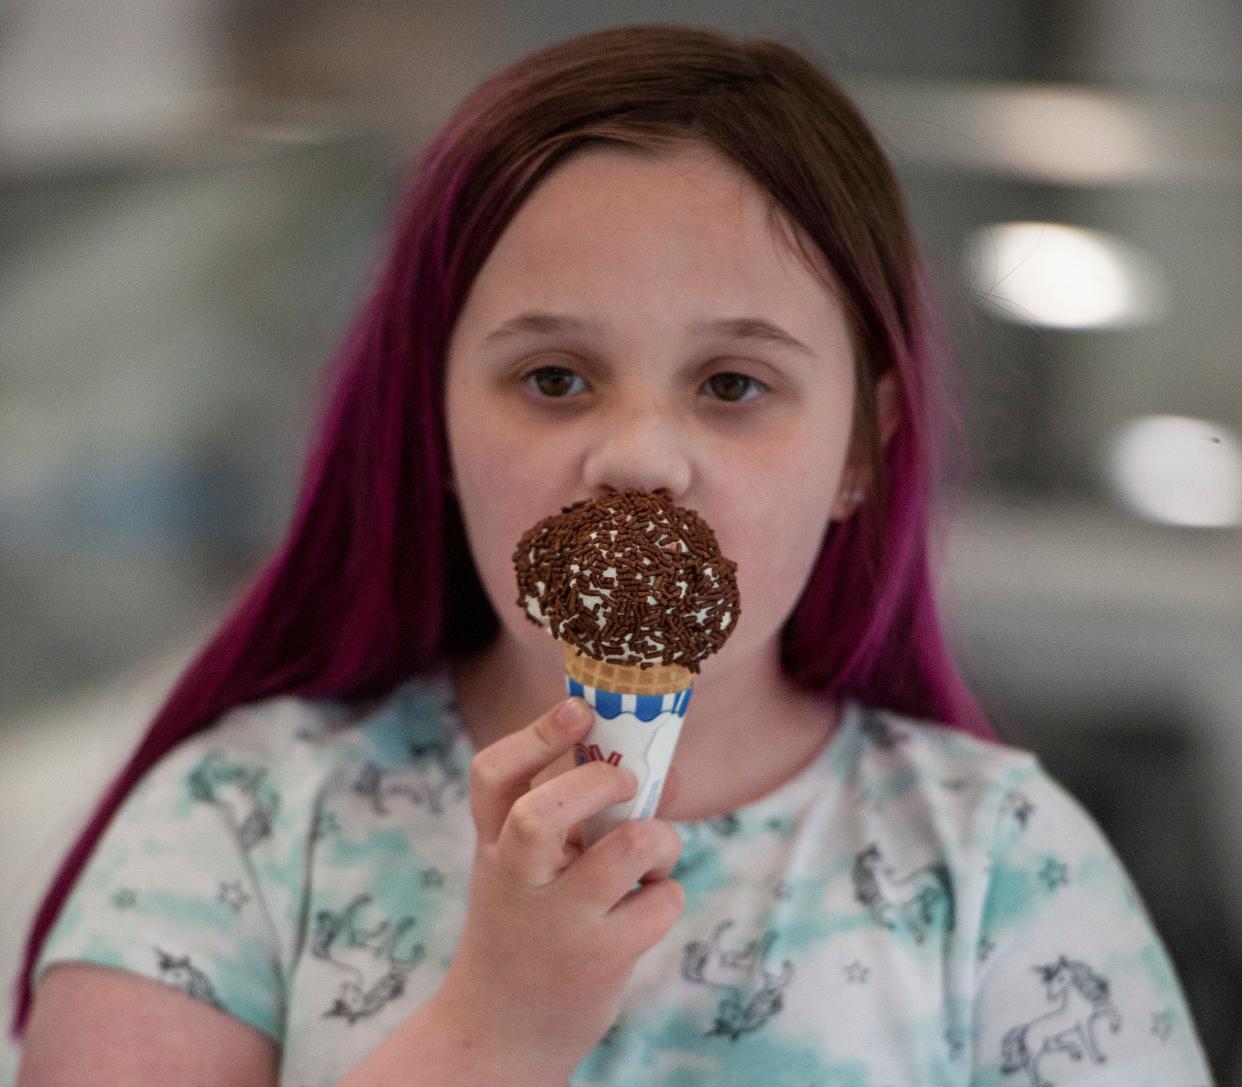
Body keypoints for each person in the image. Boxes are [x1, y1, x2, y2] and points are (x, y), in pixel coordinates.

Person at [14, 23, 1213, 1087]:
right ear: (430, 421)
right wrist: (495, 1029)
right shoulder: (244, 819)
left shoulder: (1002, 867)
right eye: (553, 378)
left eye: (733, 383)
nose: (638, 456)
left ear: (861, 447)